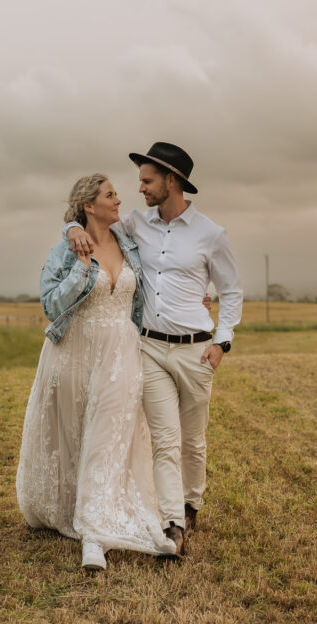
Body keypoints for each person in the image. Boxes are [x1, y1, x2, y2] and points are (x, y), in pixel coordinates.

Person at [65, 142, 243, 557]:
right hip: (149, 347)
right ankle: (173, 524)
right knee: (164, 439)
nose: (140, 188)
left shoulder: (211, 235)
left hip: (196, 351)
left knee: (193, 441)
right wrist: (70, 230)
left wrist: (223, 342)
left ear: (172, 181)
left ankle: (191, 503)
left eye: (147, 180)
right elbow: (94, 225)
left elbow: (231, 291)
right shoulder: (135, 225)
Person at [16, 173, 178, 570]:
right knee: (77, 435)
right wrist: (80, 267)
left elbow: (160, 272)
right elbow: (52, 306)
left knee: (109, 438)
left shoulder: (128, 239)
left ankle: (94, 534)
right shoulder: (65, 251)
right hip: (73, 353)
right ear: (89, 205)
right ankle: (80, 513)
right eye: (110, 195)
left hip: (122, 352)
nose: (118, 200)